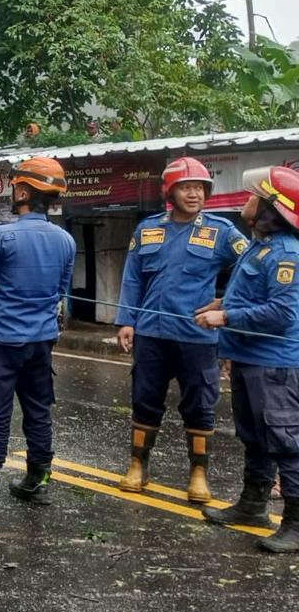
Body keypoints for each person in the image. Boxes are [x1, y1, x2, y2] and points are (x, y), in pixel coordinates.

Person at [114, 157, 247, 502]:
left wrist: (225, 304)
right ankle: (137, 465)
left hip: (197, 338)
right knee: (144, 400)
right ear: (170, 191)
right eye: (187, 187)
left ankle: (198, 473)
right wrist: (127, 320)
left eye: (200, 188)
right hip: (152, 334)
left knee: (200, 404)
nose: (195, 193)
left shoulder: (221, 231)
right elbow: (132, 277)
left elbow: (252, 269)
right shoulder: (147, 229)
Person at [0, 156, 76, 511]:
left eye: (14, 188)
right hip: (42, 341)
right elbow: (62, 290)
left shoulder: (3, 235)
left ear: (24, 190)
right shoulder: (66, 240)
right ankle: (37, 481)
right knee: (38, 410)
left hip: (5, 341)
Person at [196, 165, 299, 553]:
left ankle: (296, 523)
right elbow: (258, 297)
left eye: (254, 196)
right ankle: (253, 506)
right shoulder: (261, 246)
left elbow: (282, 314)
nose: (246, 200)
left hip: (274, 364)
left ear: (273, 209)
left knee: (285, 441)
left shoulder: (287, 254)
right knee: (255, 438)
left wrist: (226, 317)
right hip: (249, 359)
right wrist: (225, 302)